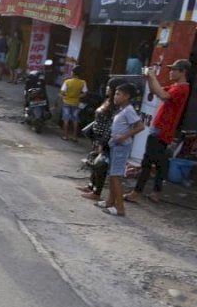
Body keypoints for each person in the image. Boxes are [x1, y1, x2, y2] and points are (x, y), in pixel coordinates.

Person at [124, 59, 192, 203]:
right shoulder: (176, 86)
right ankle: (156, 193)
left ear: (183, 72)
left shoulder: (182, 88)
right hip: (161, 129)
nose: (171, 72)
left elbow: (163, 95)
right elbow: (156, 91)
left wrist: (153, 76)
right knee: (160, 163)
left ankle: (137, 192)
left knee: (147, 162)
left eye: (174, 70)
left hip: (162, 130)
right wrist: (149, 77)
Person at [94, 83, 144, 216]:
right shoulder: (121, 109)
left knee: (116, 176)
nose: (115, 96)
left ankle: (120, 208)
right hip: (115, 145)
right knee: (112, 175)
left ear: (127, 96)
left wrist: (124, 136)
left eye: (118, 94)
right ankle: (110, 202)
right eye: (115, 93)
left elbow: (140, 126)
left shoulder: (129, 110)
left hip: (121, 147)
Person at [79, 77, 127, 200]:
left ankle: (96, 192)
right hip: (97, 137)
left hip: (104, 140)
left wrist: (102, 142)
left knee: (100, 166)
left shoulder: (116, 107)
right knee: (94, 162)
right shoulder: (107, 102)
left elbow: (110, 126)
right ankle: (91, 186)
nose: (106, 89)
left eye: (109, 87)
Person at [60, 65, 88, 142]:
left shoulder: (67, 81)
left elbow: (62, 92)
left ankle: (65, 136)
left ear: (72, 73)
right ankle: (74, 137)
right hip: (76, 103)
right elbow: (85, 93)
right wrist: (78, 96)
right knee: (75, 120)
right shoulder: (83, 82)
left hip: (66, 102)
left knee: (66, 119)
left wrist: (64, 96)